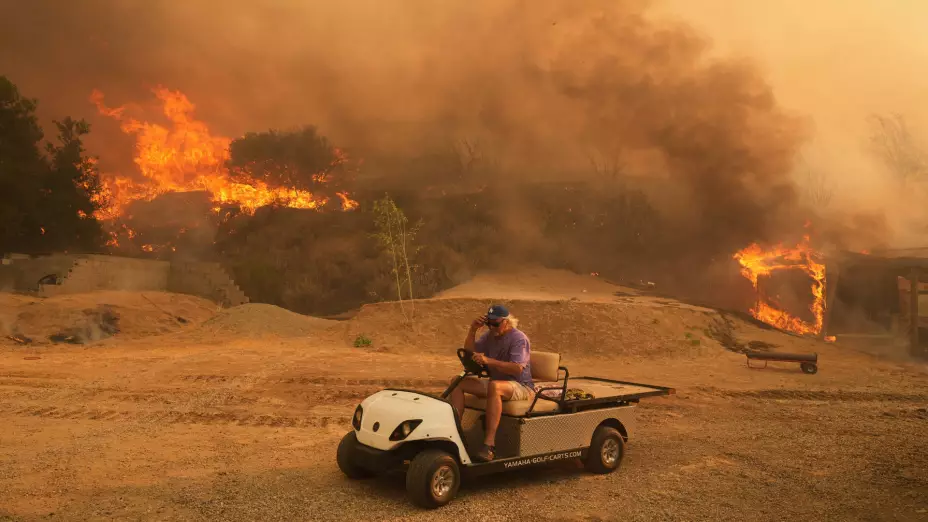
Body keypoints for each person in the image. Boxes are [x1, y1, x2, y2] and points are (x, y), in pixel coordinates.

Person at [449, 304, 534, 462]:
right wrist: (473, 330)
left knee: (495, 386)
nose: (492, 327)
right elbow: (470, 351)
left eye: (495, 324)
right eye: (489, 323)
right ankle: (455, 432)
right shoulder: (490, 336)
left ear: (507, 322)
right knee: (457, 381)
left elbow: (517, 368)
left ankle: (489, 445)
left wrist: (489, 361)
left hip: (521, 386)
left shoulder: (519, 339)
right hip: (498, 382)